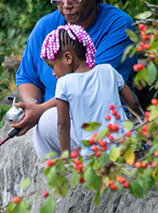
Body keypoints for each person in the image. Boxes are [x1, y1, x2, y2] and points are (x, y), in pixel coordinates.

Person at [14, 0, 135, 157]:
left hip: (103, 121)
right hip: (60, 125)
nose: (66, 6)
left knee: (47, 119)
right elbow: (28, 77)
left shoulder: (118, 25)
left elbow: (91, 86)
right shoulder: (46, 26)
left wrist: (42, 110)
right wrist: (32, 105)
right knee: (45, 121)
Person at [41, 24, 143, 157]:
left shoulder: (63, 84)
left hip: (95, 154)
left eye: (52, 66)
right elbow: (133, 103)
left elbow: (63, 126)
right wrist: (141, 127)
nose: (54, 73)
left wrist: (66, 158)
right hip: (126, 146)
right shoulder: (108, 70)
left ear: (68, 58)